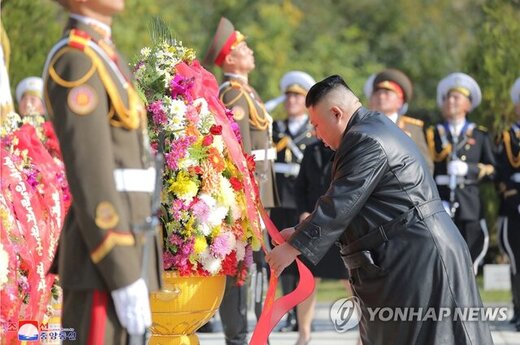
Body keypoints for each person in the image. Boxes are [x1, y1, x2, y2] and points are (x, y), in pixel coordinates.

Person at [266, 75, 493, 344]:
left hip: (421, 258)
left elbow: (341, 203)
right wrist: (299, 232)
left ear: (337, 113)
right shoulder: (370, 129)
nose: (315, 133)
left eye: (316, 124)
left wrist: (292, 249)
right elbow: (352, 206)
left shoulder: (366, 139)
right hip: (407, 255)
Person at [43, 0, 162, 343]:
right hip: (105, 257)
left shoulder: (104, 54)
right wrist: (121, 270)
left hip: (134, 241)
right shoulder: (76, 60)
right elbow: (91, 176)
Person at [204, 17, 278, 345]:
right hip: (250, 195)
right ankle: (238, 336)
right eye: (243, 48)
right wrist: (252, 201)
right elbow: (240, 153)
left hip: (262, 192)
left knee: (258, 266)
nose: (250, 52)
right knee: (241, 268)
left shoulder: (248, 91)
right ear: (230, 58)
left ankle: (255, 333)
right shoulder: (233, 94)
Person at [426, 72, 496, 274]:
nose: (450, 101)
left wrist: (471, 170)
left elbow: (494, 170)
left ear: (468, 104)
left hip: (470, 205)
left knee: (470, 257)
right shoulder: (433, 133)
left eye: (456, 97)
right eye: (447, 97)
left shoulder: (480, 135)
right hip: (441, 202)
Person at [269, 70, 317, 333]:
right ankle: (286, 313)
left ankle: (299, 316)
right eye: (288, 96)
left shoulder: (312, 132)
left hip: (301, 200)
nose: (291, 101)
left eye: (297, 97)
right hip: (279, 198)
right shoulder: (276, 129)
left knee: (301, 259)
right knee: (280, 256)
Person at [293, 140, 351, 345]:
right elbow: (300, 187)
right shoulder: (312, 149)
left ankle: (364, 336)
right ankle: (304, 334)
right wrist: (303, 212)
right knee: (307, 281)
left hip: (342, 226)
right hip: (313, 226)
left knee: (351, 281)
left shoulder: (350, 146)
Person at [364, 68, 433, 173]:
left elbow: (426, 166)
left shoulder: (412, 129)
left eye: (387, 93)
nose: (381, 96)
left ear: (400, 101)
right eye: (377, 93)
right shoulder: (364, 126)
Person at [495, 77, 520, 331]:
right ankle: (519, 309)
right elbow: (500, 171)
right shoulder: (506, 137)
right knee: (518, 262)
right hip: (515, 207)